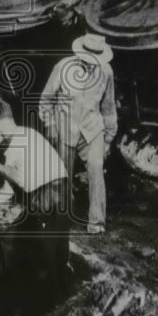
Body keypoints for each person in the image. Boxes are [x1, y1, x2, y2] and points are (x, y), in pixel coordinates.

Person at [0, 98, 70, 316]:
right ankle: (23, 305)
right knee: (20, 243)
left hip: (48, 199)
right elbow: (8, 191)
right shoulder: (24, 136)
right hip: (55, 196)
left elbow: (24, 181)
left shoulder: (18, 142)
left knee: (42, 261)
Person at [39, 32, 117, 234]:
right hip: (65, 127)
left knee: (96, 167)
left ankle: (97, 221)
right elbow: (46, 100)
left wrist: (109, 137)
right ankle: (62, 218)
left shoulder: (106, 72)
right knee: (62, 174)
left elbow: (108, 106)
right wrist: (50, 125)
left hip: (92, 129)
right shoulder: (63, 67)